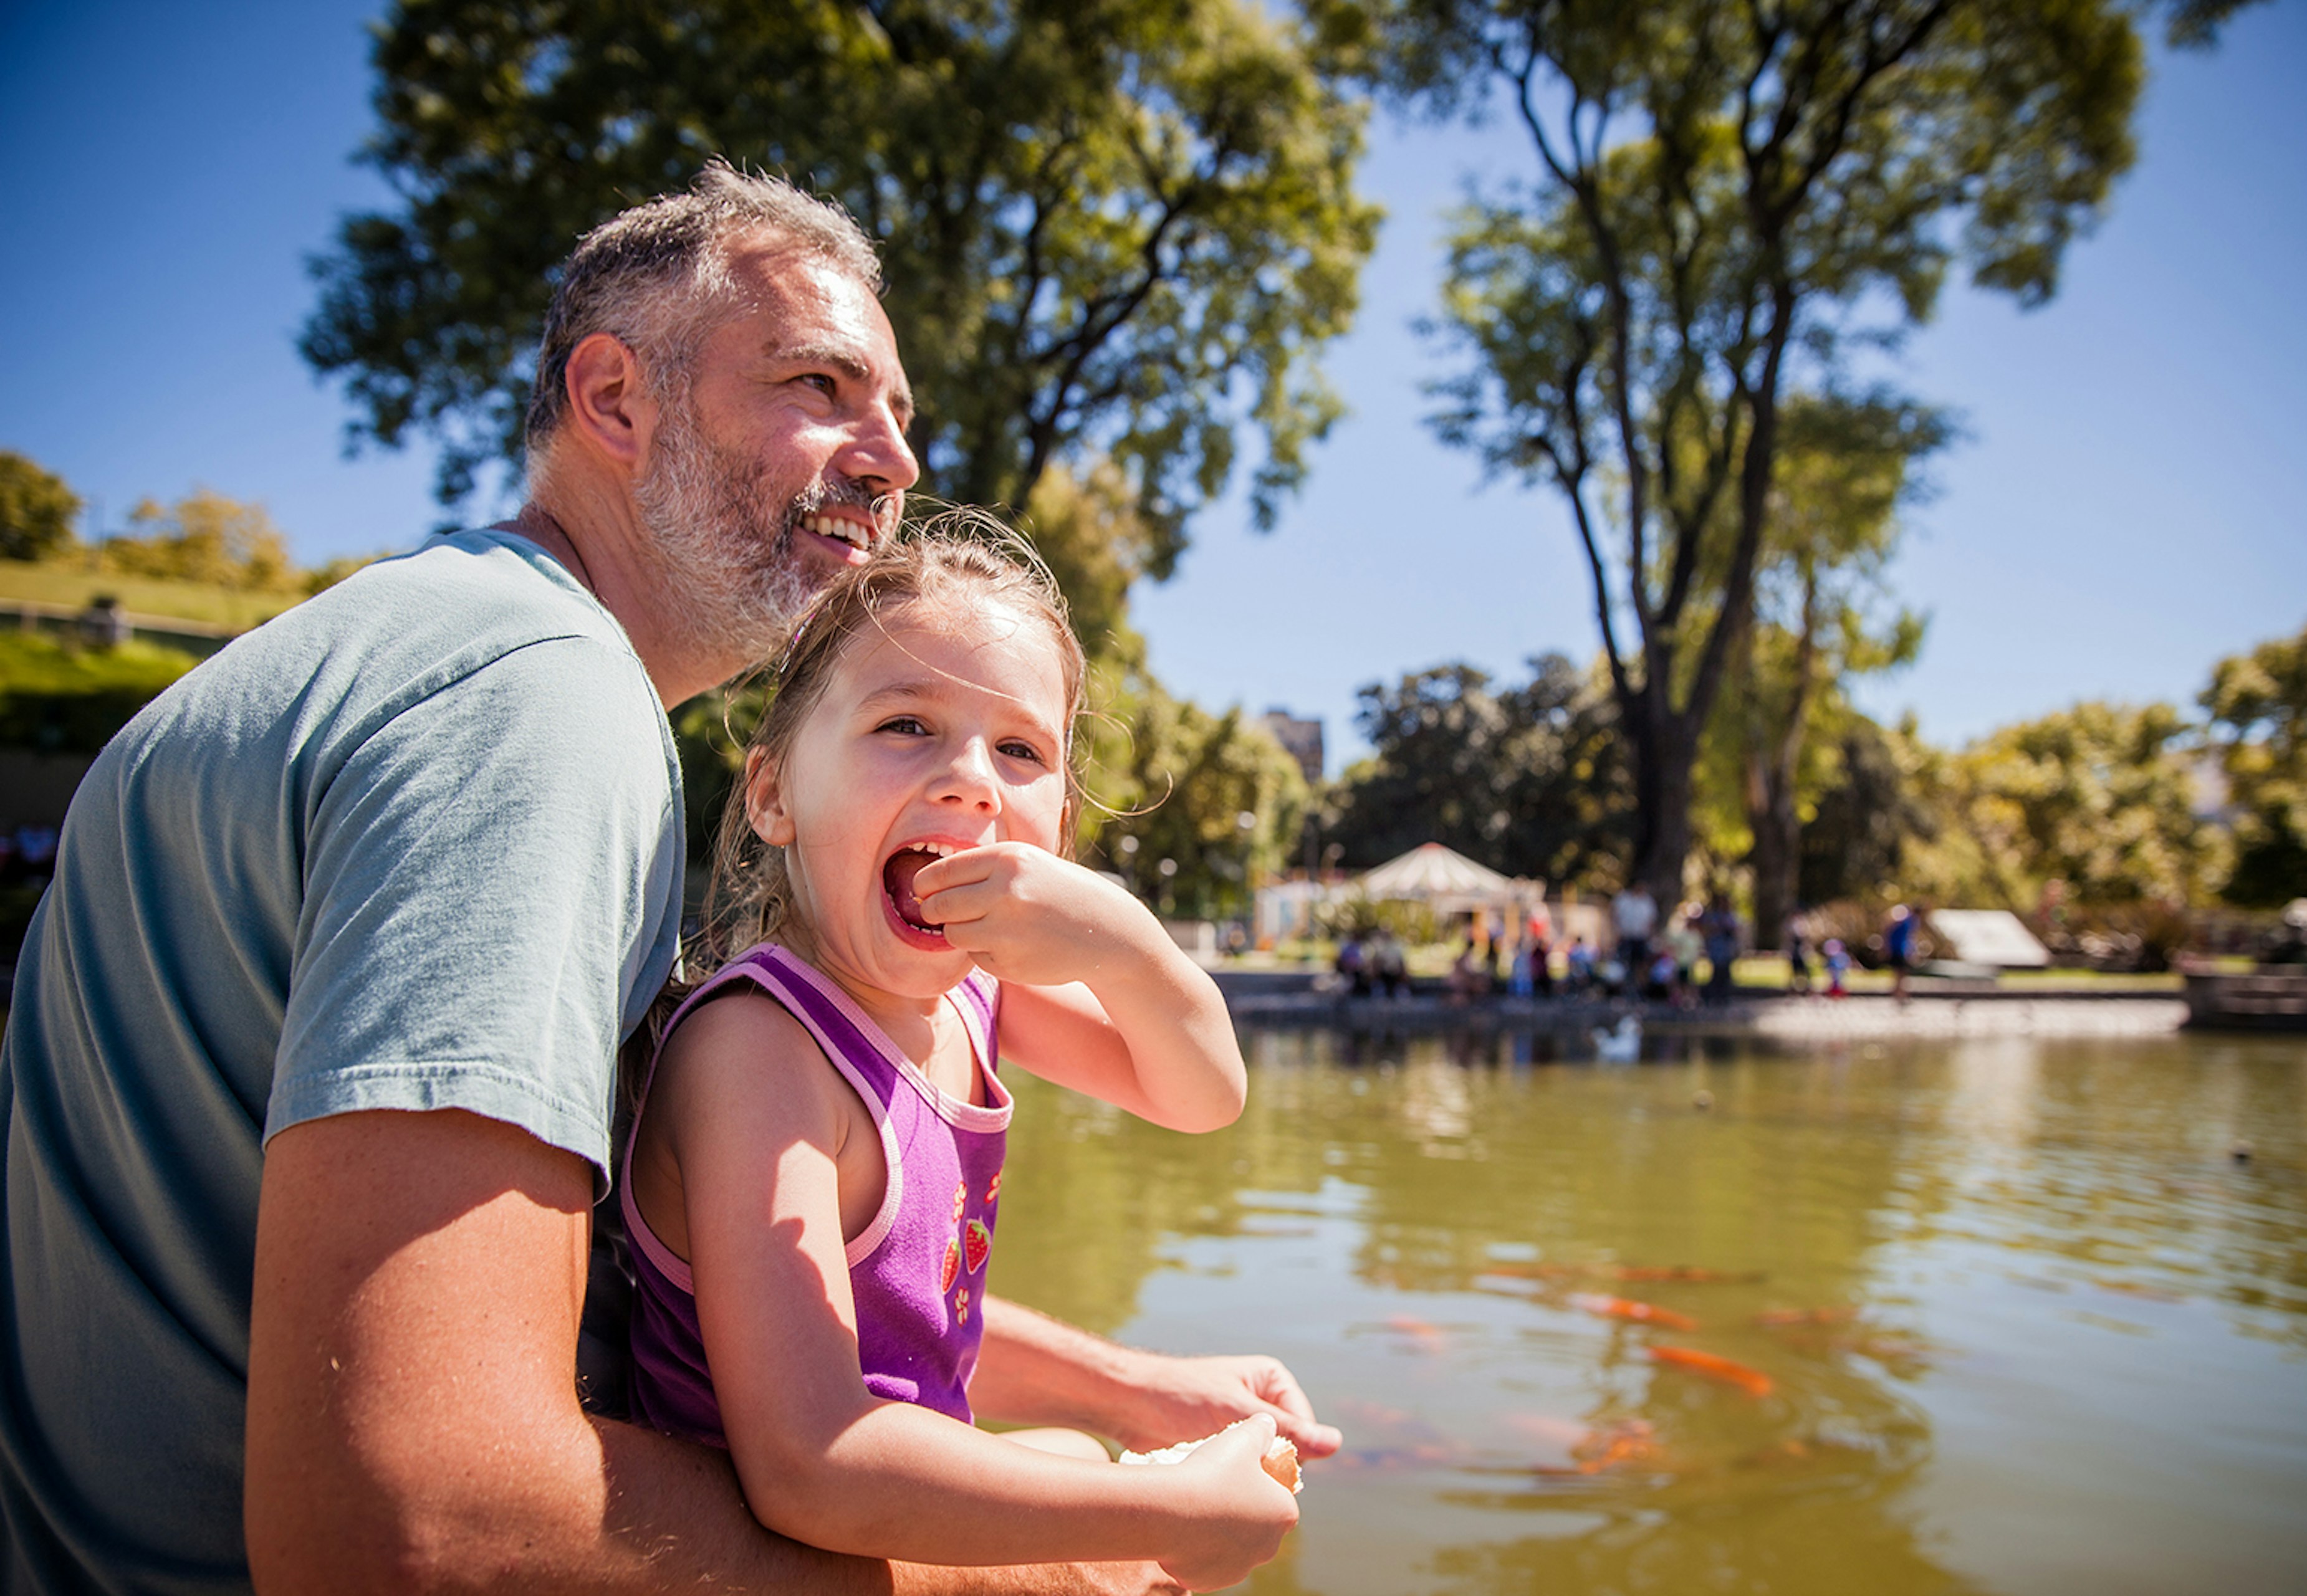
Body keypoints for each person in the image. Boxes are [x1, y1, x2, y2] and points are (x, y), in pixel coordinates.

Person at [0, 163, 1332, 1596]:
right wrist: (1075, 1561)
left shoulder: (395, 646)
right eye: (819, 384)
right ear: (613, 399)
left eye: (898, 415)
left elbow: (806, 1288)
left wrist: (1123, 1392)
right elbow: (410, 1523)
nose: (889, 459)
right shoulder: (534, 709)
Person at [621, 532, 1294, 1584]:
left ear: (1057, 827)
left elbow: (1204, 1093)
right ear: (772, 796)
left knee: (1074, 1451)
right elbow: (813, 1463)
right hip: (766, 1554)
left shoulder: (979, 991)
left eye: (1021, 751)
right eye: (907, 725)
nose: (974, 779)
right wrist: (1158, 1508)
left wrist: (1130, 945)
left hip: (885, 1508)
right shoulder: (760, 1055)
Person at [1611, 882, 1657, 988]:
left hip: (1641, 937)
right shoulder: (1623, 899)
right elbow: (1615, 915)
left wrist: (1650, 936)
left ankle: (1640, 986)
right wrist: (1616, 931)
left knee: (1641, 962)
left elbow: (1651, 921)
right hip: (1625, 936)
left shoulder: (1648, 902)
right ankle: (1621, 986)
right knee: (1622, 961)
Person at [1885, 903, 1920, 1003]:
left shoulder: (1906, 922)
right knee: (1900, 974)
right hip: (1899, 951)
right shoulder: (1907, 921)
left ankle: (1900, 994)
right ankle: (1899, 995)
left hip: (1901, 950)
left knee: (1900, 975)